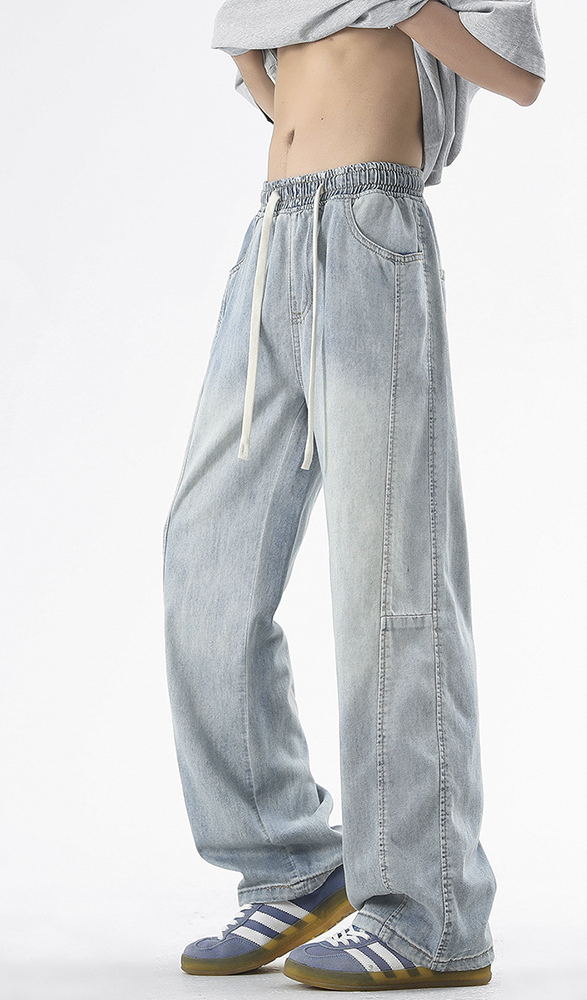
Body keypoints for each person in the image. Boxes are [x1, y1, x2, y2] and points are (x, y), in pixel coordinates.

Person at [162, 1, 545, 990]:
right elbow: (258, 61)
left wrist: (406, 10)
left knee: (391, 584)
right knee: (203, 562)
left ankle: (430, 909)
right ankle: (289, 860)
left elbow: (519, 73)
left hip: (373, 230)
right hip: (273, 237)